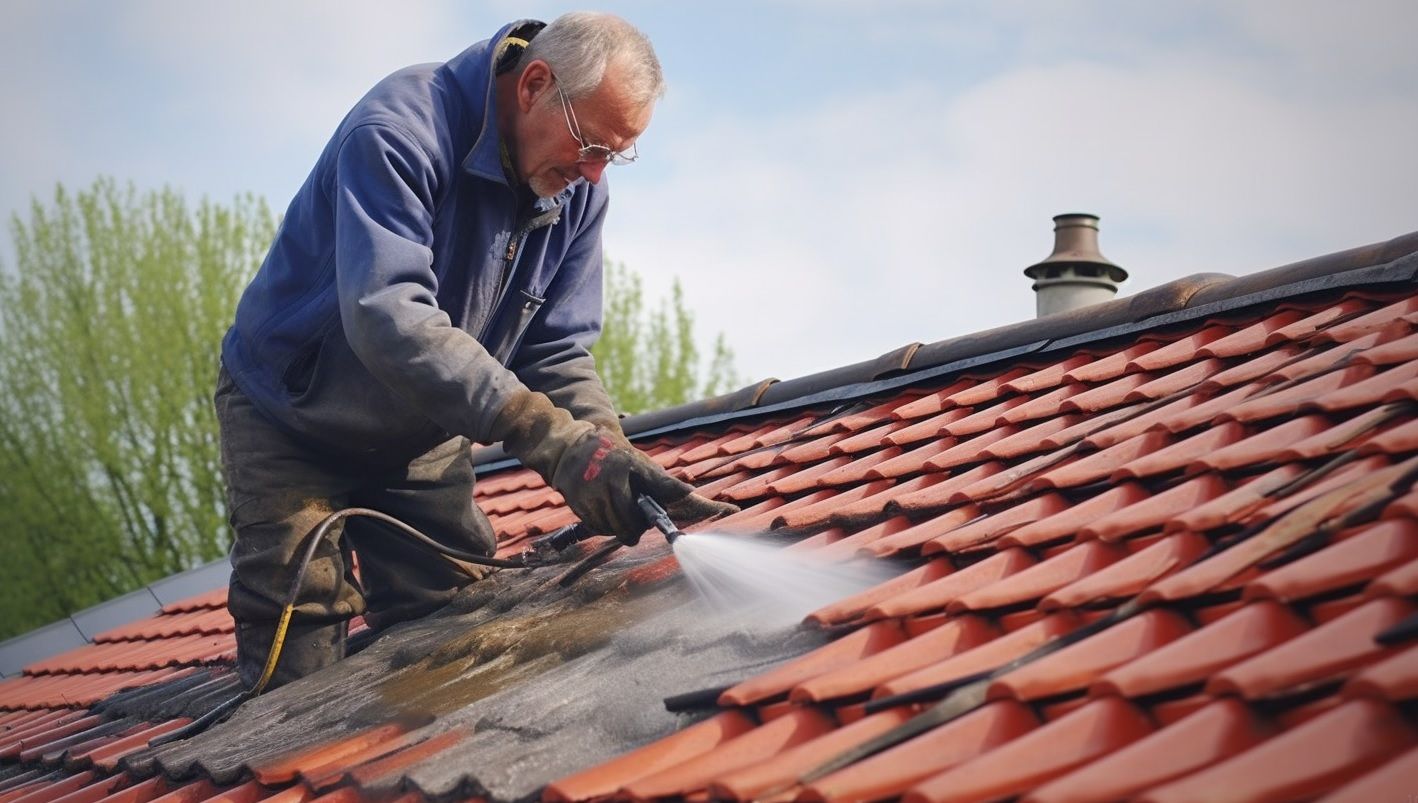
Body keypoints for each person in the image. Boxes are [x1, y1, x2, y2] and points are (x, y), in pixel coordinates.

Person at [215, 12, 734, 691]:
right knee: (299, 653)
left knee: (458, 631)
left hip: (422, 430)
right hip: (290, 418)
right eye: (589, 145)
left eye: (614, 154)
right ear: (535, 85)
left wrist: (603, 450)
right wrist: (548, 437)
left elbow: (555, 346)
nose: (594, 171)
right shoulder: (400, 131)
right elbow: (389, 317)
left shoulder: (578, 191)